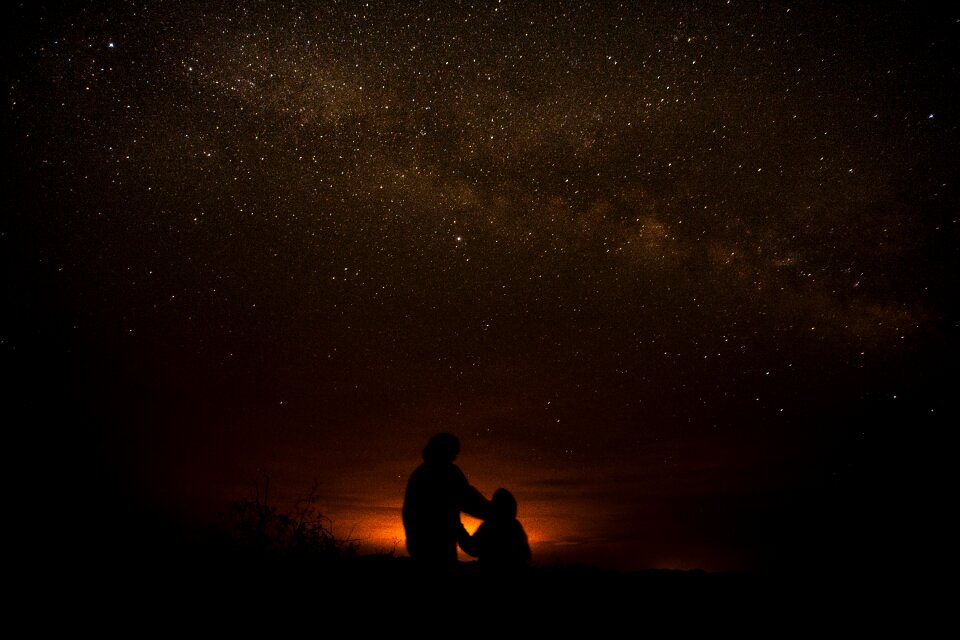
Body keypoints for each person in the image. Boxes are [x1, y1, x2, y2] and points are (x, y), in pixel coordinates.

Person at [402, 432, 490, 566]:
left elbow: (409, 512)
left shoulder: (420, 473)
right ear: (445, 450)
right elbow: (467, 499)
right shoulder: (447, 472)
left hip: (421, 545)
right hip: (438, 544)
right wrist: (493, 512)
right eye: (453, 452)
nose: (455, 456)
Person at [458, 487, 531, 568]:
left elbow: (472, 548)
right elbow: (525, 554)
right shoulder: (516, 526)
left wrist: (459, 529)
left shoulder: (490, 526)